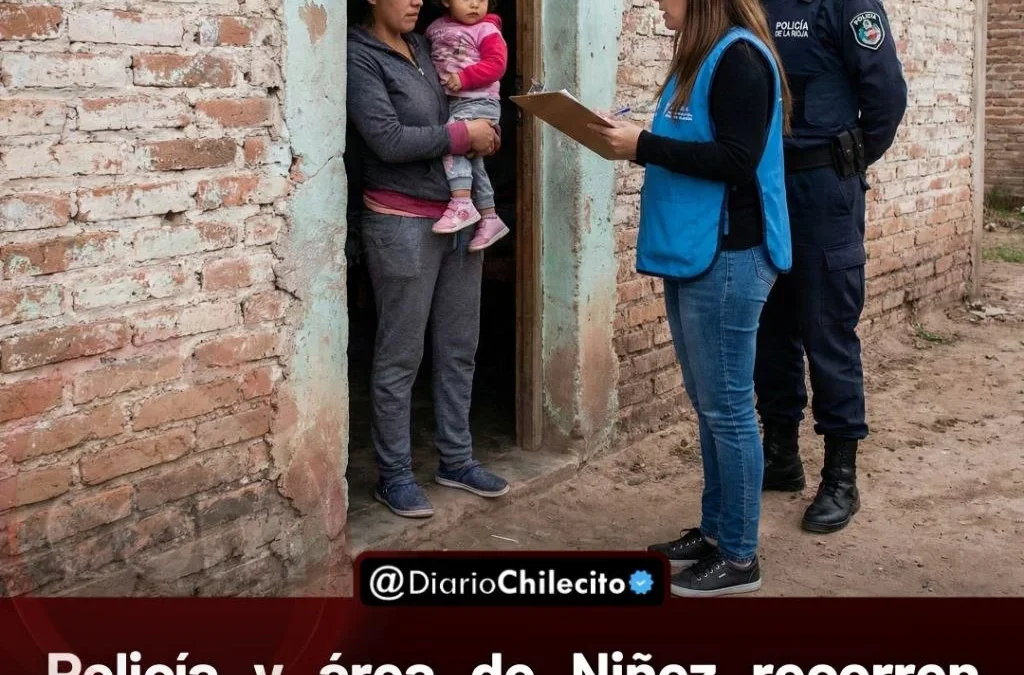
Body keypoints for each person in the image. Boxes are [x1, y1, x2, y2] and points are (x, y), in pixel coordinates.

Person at [589, 0, 792, 596]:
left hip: (731, 256)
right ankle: (715, 530)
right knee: (710, 406)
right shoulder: (696, 59)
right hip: (696, 251)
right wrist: (624, 131)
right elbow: (688, 136)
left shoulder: (741, 61)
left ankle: (740, 555)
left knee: (727, 408)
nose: (658, 3)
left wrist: (642, 145)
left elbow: (735, 160)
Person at [346, 0, 510, 519]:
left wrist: (485, 130)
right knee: (401, 353)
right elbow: (387, 140)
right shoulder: (360, 55)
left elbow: (468, 100)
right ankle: (394, 475)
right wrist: (466, 135)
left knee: (459, 345)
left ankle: (456, 460)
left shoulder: (425, 43)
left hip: (459, 216)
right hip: (400, 221)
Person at [756, 0, 908, 533]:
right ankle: (780, 457)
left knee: (827, 331)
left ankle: (841, 478)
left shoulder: (847, 4)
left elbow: (886, 96)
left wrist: (847, 157)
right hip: (761, 187)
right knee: (767, 328)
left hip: (824, 188)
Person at [425, 0, 511, 252]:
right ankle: (489, 216)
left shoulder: (487, 30)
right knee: (474, 163)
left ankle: (462, 202)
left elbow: (497, 64)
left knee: (454, 139)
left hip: (479, 100)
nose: (475, 4)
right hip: (456, 103)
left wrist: (464, 78)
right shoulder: (433, 29)